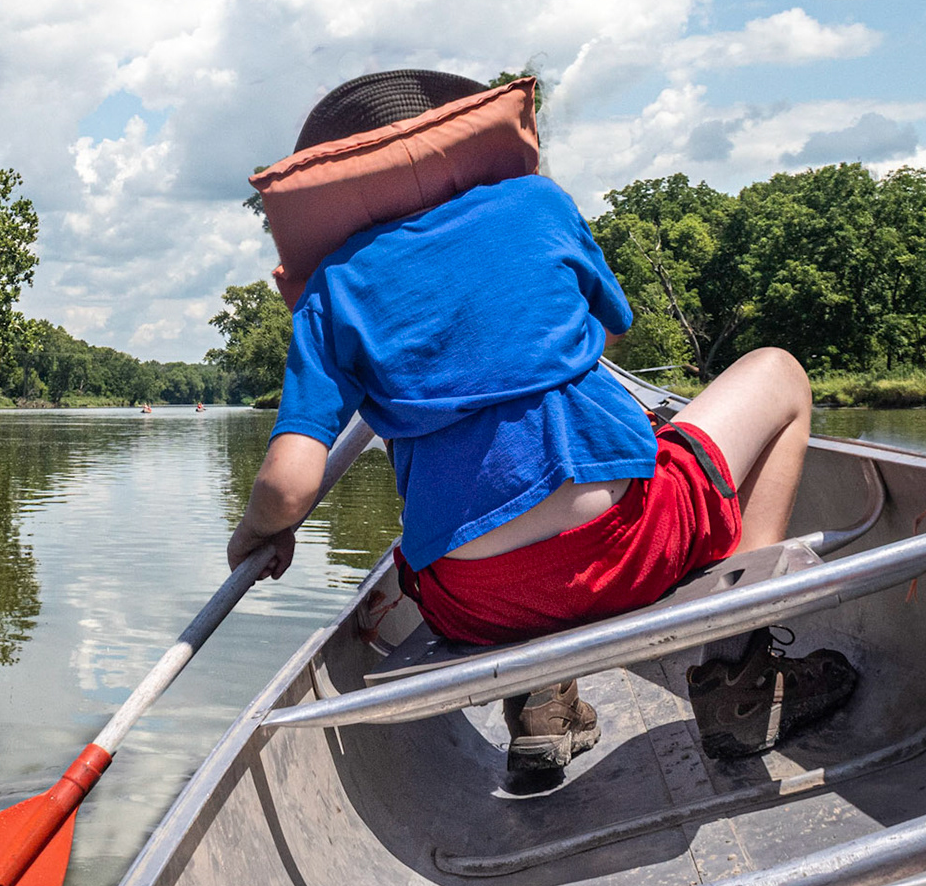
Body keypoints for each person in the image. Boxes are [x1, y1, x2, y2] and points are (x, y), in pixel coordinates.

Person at [227, 69, 857, 773]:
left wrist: (259, 532)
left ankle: (540, 704)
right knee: (778, 371)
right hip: (630, 553)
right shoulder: (534, 205)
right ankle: (741, 666)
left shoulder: (331, 289)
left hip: (470, 604)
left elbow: (288, 487)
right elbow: (610, 328)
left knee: (486, 505)